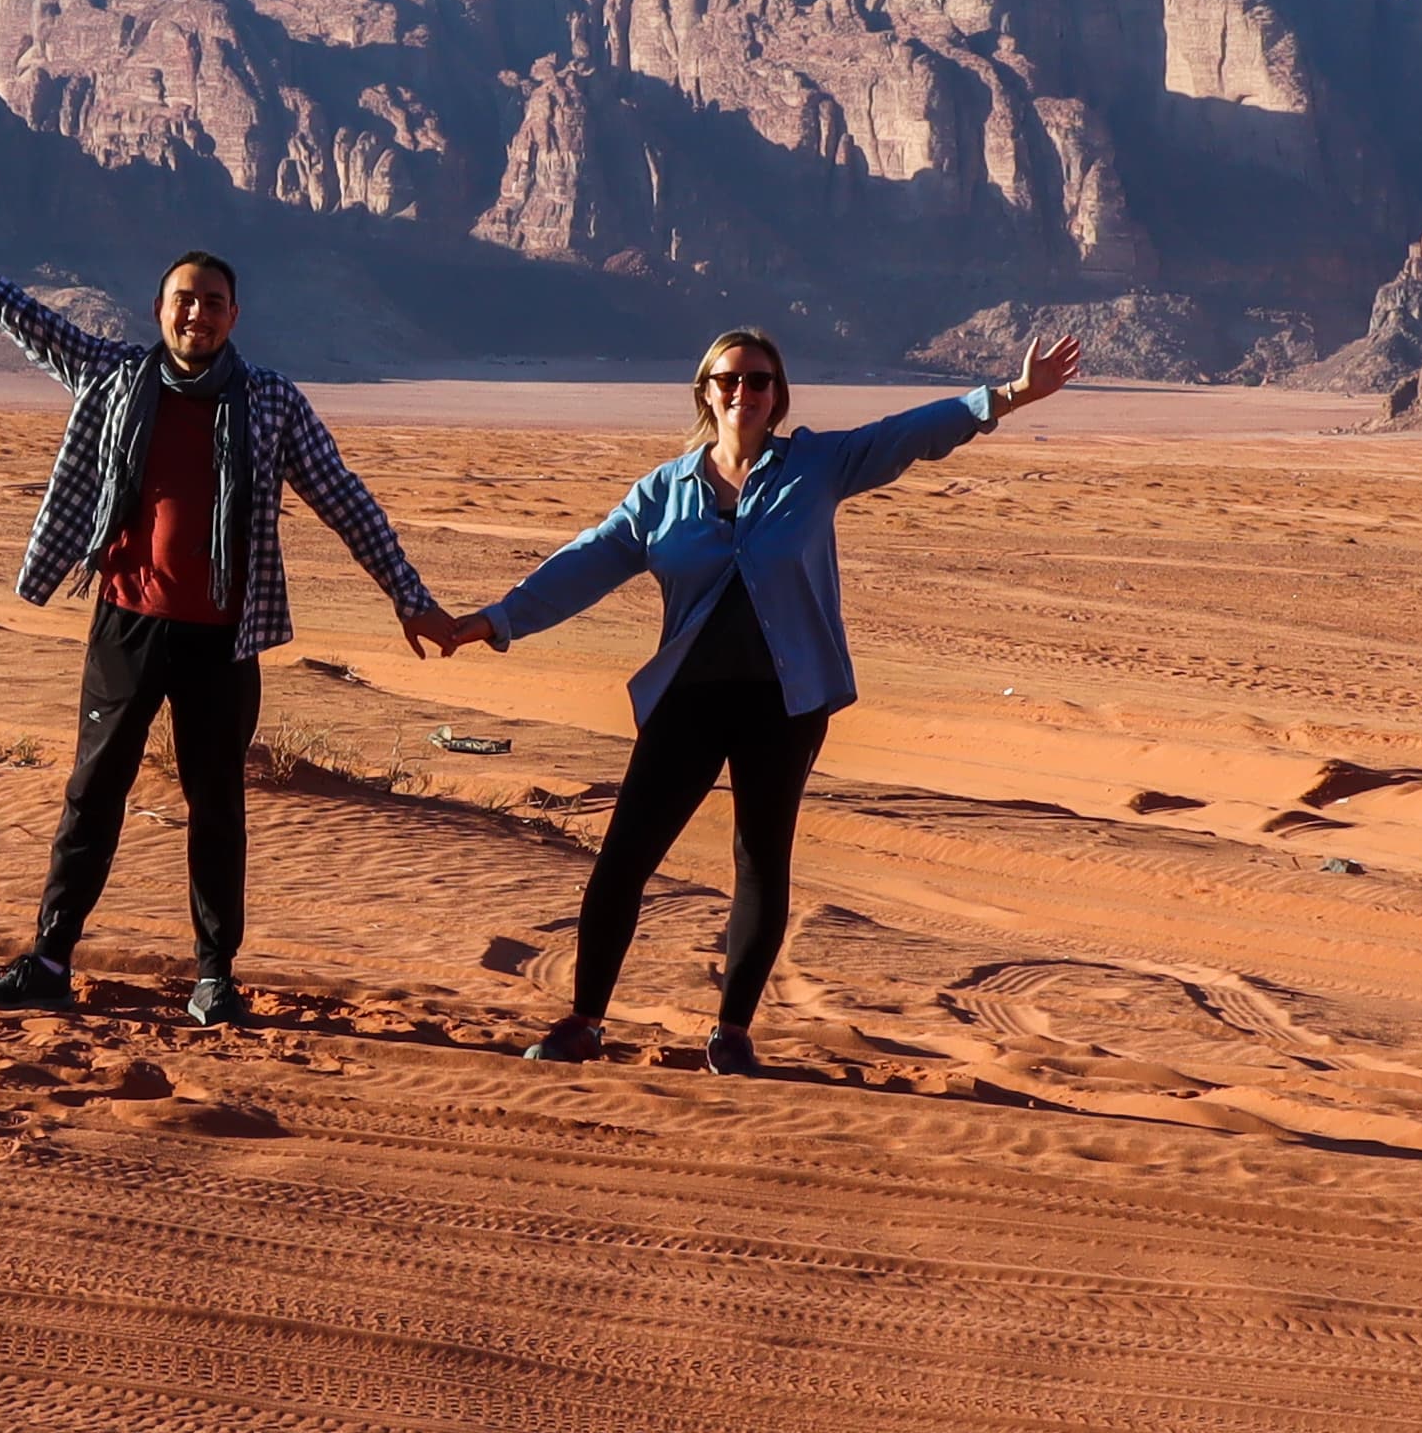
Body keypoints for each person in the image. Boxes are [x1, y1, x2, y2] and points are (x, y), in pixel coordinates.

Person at [0, 183, 456, 1028]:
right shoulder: (114, 375)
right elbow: (19, 316)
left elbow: (345, 500)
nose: (195, 314)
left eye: (211, 302)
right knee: (93, 793)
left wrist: (409, 598)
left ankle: (214, 976)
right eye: (182, 300)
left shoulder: (273, 402)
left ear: (234, 317)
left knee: (217, 807)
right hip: (129, 624)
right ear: (158, 310)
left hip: (226, 637)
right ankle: (50, 960)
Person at [435, 327, 1080, 1076]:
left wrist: (1003, 396)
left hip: (785, 700)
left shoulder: (816, 464)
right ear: (704, 392)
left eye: (760, 380)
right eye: (729, 379)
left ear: (779, 396)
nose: (744, 392)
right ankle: (583, 1022)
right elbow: (586, 561)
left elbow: (907, 435)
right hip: (688, 699)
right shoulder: (662, 491)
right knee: (623, 860)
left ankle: (732, 1033)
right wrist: (496, 620)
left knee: (759, 861)